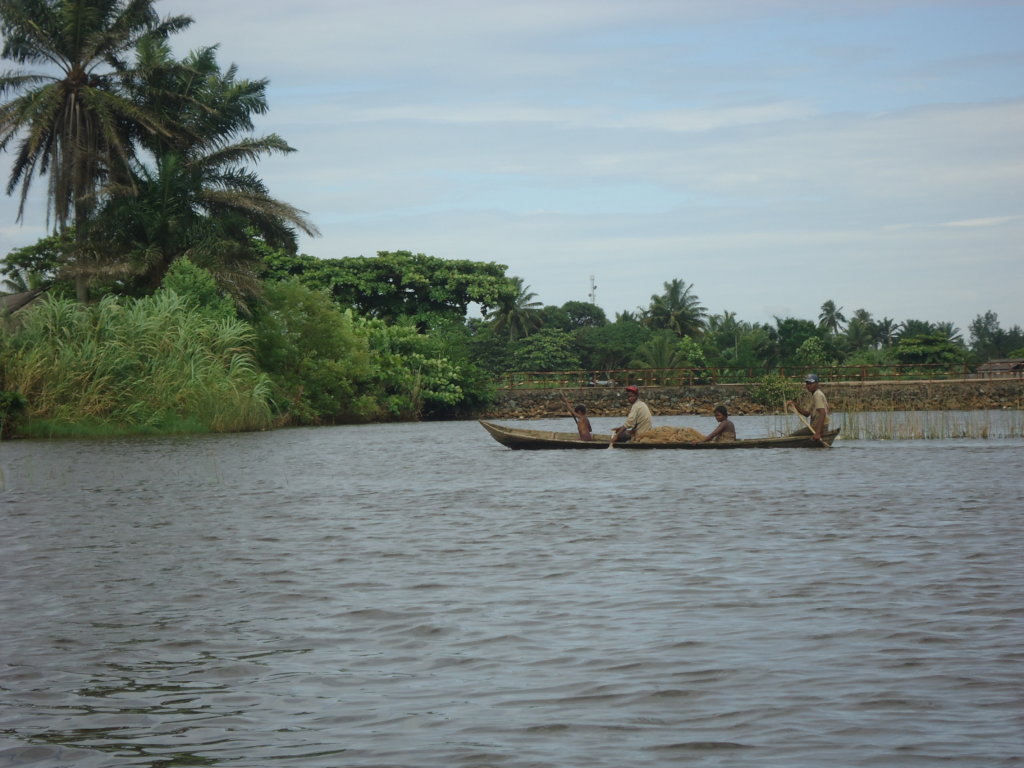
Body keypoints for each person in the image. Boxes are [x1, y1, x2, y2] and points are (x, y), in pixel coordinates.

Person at [786, 373, 829, 442]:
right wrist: (794, 405)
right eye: (807, 383)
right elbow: (807, 414)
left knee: (790, 438)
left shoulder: (817, 394)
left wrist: (817, 433)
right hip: (816, 428)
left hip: (818, 428)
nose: (808, 386)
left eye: (811, 383)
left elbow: (822, 413)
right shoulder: (814, 395)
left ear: (817, 383)